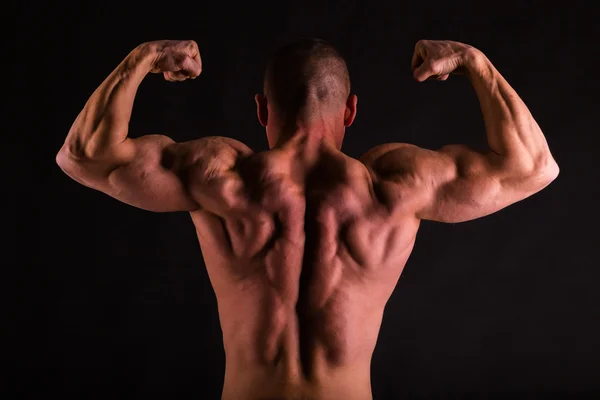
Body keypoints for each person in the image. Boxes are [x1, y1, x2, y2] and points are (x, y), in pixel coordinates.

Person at [56, 38, 559, 399]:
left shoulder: (220, 178)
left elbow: (83, 157)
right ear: (350, 111)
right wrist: (475, 62)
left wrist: (141, 58)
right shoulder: (393, 186)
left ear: (261, 109)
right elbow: (532, 167)